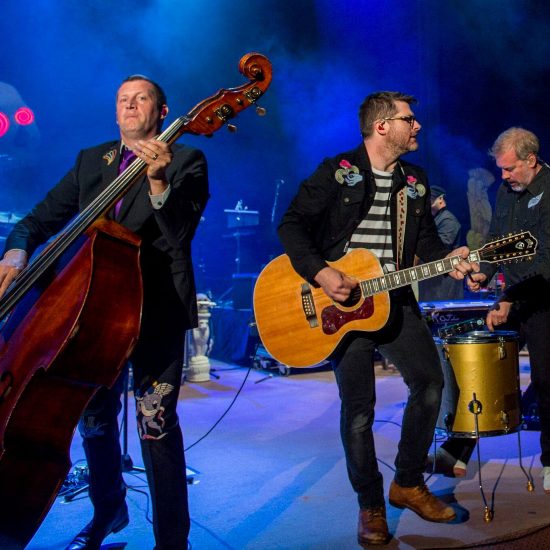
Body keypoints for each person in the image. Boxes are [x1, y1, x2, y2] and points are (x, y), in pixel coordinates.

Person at [0, 75, 209, 549]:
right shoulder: (92, 161)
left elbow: (179, 234)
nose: (130, 105)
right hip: (92, 317)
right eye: (122, 99)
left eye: (141, 98)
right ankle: (108, 511)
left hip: (154, 312)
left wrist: (158, 180)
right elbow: (37, 220)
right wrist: (16, 252)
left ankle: (172, 540)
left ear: (161, 111)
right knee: (93, 420)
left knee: (155, 425)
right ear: (116, 112)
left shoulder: (186, 160)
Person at [277, 91, 476, 546]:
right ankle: (370, 505)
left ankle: (407, 482)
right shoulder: (338, 171)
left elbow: (426, 244)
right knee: (359, 411)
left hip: (395, 299)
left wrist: (452, 260)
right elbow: (291, 225)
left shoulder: (415, 181)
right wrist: (322, 272)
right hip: (341, 308)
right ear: (382, 126)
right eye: (409, 119)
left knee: (430, 383)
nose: (417, 125)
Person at [429, 127, 550, 495]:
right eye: (501, 169)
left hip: (544, 299)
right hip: (513, 296)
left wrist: (508, 298)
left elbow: (546, 261)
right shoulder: (506, 192)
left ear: (531, 160)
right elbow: (498, 242)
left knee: (546, 380)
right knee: (475, 359)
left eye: (509, 168)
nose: (504, 175)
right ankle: (457, 450)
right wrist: (484, 270)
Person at [418, 185, 464, 301]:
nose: (427, 201)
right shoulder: (433, 219)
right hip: (431, 279)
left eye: (431, 198)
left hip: (444, 281)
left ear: (440, 199)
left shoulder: (448, 220)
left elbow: (439, 247)